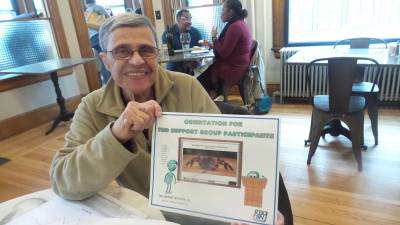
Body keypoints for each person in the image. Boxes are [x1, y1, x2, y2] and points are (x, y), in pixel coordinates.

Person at [49, 13, 285, 225]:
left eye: (146, 50)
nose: (137, 60)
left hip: (207, 215)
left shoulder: (188, 87)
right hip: (145, 217)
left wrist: (253, 209)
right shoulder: (92, 107)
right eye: (122, 51)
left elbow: (232, 154)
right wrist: (116, 134)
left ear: (157, 54)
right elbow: (63, 181)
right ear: (106, 60)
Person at [198, 0, 253, 99]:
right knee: (206, 71)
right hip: (240, 65)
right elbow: (228, 48)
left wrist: (214, 38)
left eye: (223, 9)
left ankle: (211, 101)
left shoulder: (235, 27)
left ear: (230, 12)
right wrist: (212, 45)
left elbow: (223, 53)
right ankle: (214, 98)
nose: (221, 12)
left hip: (234, 68)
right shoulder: (240, 23)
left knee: (201, 77)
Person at [162, 9, 202, 73]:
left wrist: (197, 61)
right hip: (175, 69)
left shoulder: (195, 32)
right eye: (186, 19)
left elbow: (201, 51)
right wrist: (185, 62)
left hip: (193, 68)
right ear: (178, 20)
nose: (189, 22)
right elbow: (167, 54)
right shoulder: (167, 34)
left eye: (190, 19)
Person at [84, 0, 111, 84]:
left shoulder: (86, 12)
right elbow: (109, 20)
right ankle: (110, 83)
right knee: (107, 60)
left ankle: (107, 83)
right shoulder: (97, 7)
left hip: (93, 39)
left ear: (86, 2)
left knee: (103, 60)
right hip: (100, 36)